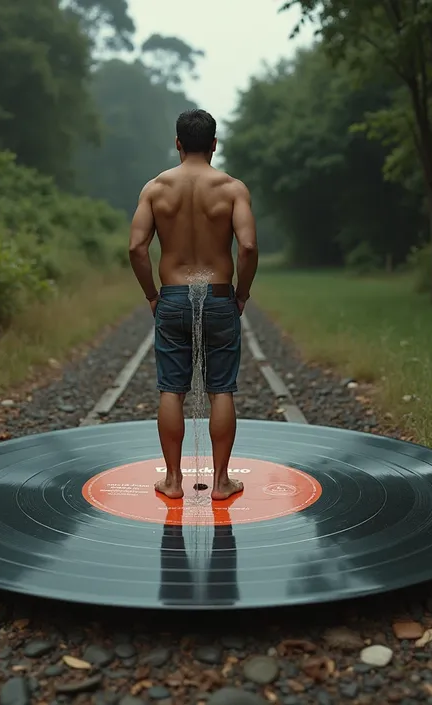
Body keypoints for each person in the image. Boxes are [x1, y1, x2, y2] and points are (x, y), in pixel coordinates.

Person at [129, 109, 258, 501]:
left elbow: (136, 247)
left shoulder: (155, 189)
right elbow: (248, 247)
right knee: (221, 391)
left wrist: (152, 294)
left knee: (172, 389)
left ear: (178, 143)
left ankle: (172, 481)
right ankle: (220, 482)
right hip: (218, 295)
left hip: (172, 296)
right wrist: (242, 293)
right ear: (215, 144)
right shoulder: (233, 189)